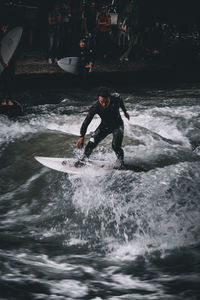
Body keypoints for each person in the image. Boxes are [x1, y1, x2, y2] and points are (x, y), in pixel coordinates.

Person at [76, 87, 130, 168]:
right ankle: (83, 160)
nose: (104, 104)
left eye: (106, 102)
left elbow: (121, 101)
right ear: (99, 99)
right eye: (102, 102)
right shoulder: (95, 106)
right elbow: (86, 121)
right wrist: (81, 136)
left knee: (115, 146)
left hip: (117, 125)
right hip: (105, 126)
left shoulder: (116, 97)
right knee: (91, 144)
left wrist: (125, 111)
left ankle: (121, 163)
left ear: (109, 98)